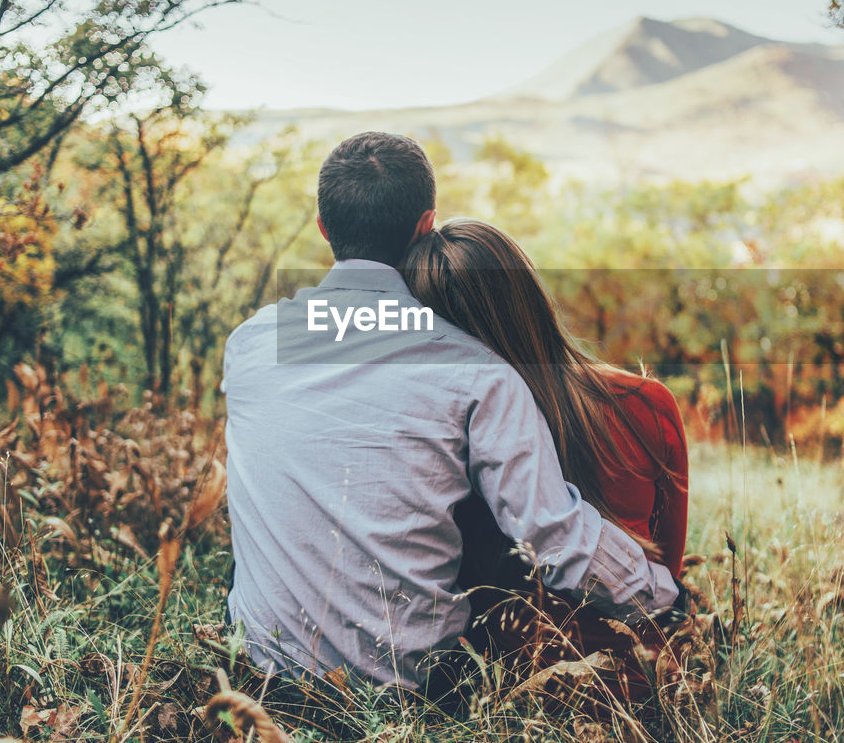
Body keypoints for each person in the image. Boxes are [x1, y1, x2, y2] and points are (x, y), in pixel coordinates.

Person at [222, 132, 682, 700]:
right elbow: (553, 536)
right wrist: (665, 602)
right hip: (403, 694)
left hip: (259, 684)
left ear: (323, 227)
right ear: (426, 225)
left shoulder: (247, 346)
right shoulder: (477, 373)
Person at [400, 219, 688, 691]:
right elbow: (669, 569)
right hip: (636, 684)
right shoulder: (644, 404)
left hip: (502, 698)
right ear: (527, 296)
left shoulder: (439, 433)